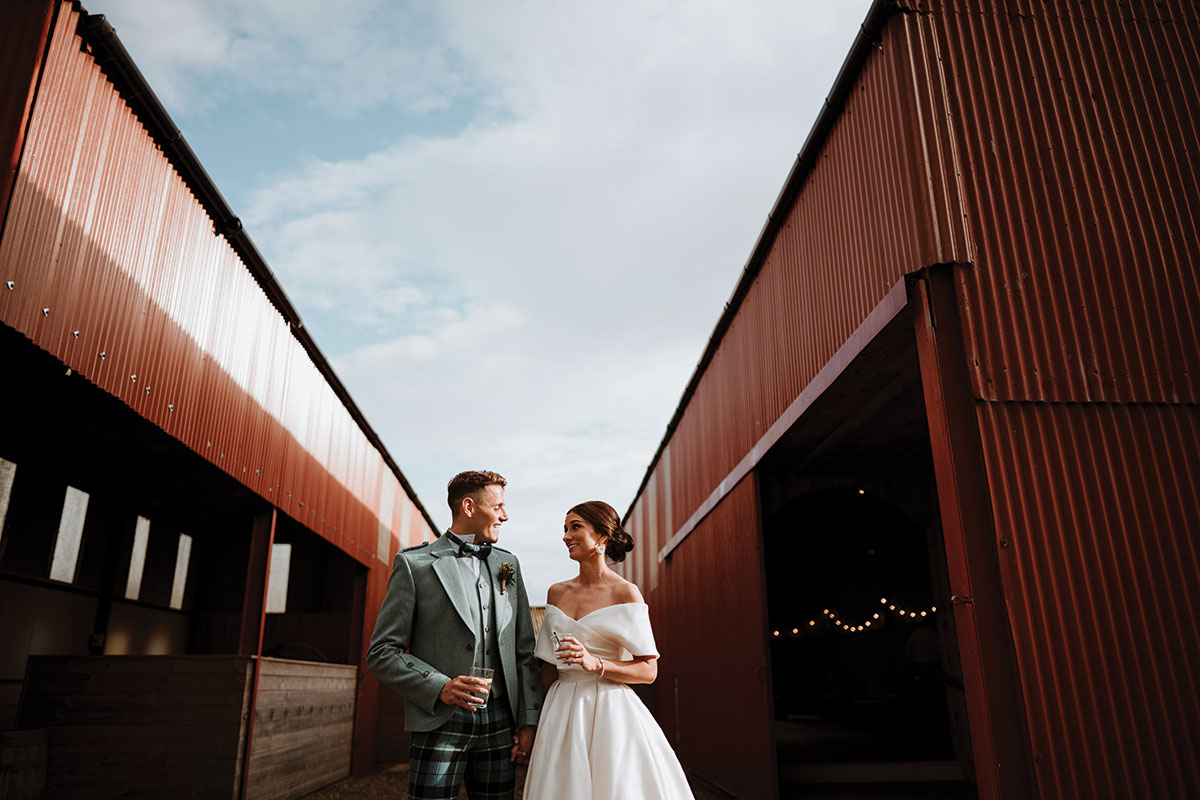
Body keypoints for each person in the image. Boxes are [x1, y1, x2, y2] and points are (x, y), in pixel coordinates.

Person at [367, 470, 543, 800]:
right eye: (498, 506)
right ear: (468, 506)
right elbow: (382, 652)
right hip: (438, 721)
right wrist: (441, 687)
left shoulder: (509, 565)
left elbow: (523, 652)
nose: (505, 515)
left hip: (501, 722)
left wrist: (529, 721)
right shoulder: (414, 564)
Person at [523, 500, 694, 799]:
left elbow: (648, 670)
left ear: (602, 536)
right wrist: (530, 724)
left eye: (575, 527)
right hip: (559, 710)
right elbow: (549, 669)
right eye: (565, 529)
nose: (566, 536)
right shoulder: (556, 592)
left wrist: (596, 664)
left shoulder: (625, 592)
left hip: (610, 711)